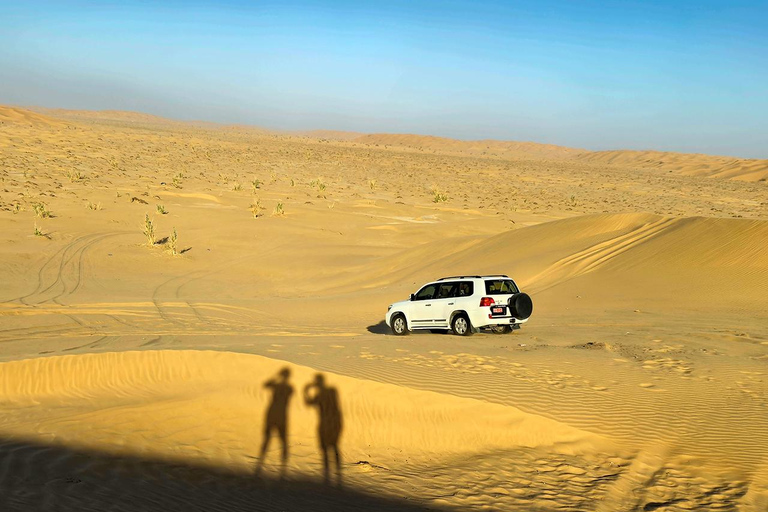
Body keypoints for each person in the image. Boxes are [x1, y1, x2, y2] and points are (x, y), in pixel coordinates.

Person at [304, 373, 343, 486]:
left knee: (328, 447)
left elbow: (309, 403)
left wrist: (306, 390)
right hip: (334, 423)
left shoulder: (323, 394)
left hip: (327, 423)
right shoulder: (331, 391)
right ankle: (335, 473)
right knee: (331, 447)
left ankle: (331, 473)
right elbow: (310, 403)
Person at [255, 367, 293, 478]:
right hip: (280, 416)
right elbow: (266, 385)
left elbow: (266, 384)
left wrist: (276, 376)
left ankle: (261, 461)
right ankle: (283, 465)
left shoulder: (279, 386)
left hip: (272, 415)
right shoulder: (289, 388)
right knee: (283, 441)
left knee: (268, 439)